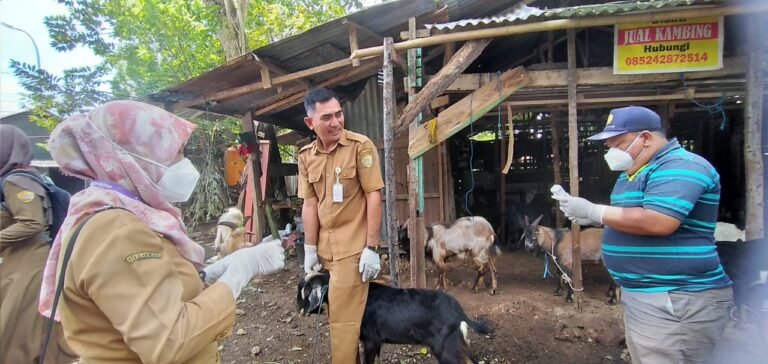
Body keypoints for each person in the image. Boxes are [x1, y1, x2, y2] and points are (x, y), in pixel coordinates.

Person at [37, 100, 285, 363]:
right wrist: (239, 273)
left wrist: (209, 274)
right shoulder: (116, 231)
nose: (185, 164)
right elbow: (169, 341)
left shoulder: (120, 215)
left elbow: (147, 293)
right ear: (136, 157)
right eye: (176, 153)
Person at [551, 106, 733, 364]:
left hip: (676, 298)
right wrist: (594, 217)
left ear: (646, 138)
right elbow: (631, 218)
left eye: (619, 143)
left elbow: (660, 221)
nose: (611, 151)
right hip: (646, 295)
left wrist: (597, 211)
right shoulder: (634, 171)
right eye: (609, 145)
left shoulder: (681, 166)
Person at [298, 88, 384, 363]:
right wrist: (309, 248)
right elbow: (310, 205)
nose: (336, 122)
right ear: (310, 123)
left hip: (352, 250)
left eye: (339, 114)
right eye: (327, 117)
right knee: (335, 312)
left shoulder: (360, 147)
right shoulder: (306, 156)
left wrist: (371, 247)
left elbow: (373, 195)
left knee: (343, 324)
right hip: (325, 250)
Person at [0, 125, 77, 364]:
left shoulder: (17, 180)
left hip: (27, 265)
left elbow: (32, 222)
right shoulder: (21, 178)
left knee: (15, 330)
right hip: (20, 263)